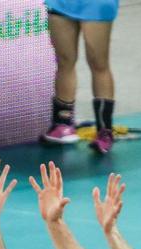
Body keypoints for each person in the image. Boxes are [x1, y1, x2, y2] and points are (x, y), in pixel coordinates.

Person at [40, 0, 119, 153]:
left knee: (98, 63)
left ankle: (105, 131)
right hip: (60, 3)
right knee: (64, 61)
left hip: (96, 4)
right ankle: (62, 124)